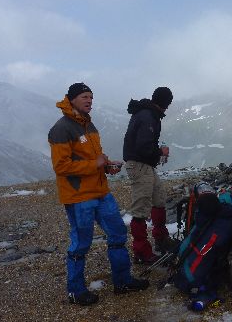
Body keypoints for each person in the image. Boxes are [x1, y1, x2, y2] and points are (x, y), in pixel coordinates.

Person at [48, 82, 148, 306]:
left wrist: (106, 166)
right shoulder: (61, 128)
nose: (89, 101)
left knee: (118, 234)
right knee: (81, 243)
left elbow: (92, 159)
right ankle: (76, 291)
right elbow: (61, 166)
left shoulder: (89, 126)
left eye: (91, 97)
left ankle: (122, 281)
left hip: (101, 192)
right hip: (79, 196)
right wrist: (95, 163)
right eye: (84, 97)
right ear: (72, 99)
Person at [123, 87, 175, 265]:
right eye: (168, 103)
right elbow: (143, 146)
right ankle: (141, 250)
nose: (167, 107)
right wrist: (160, 151)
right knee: (141, 207)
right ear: (164, 102)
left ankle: (160, 239)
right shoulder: (148, 117)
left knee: (159, 198)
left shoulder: (148, 113)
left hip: (146, 164)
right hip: (139, 165)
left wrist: (156, 154)